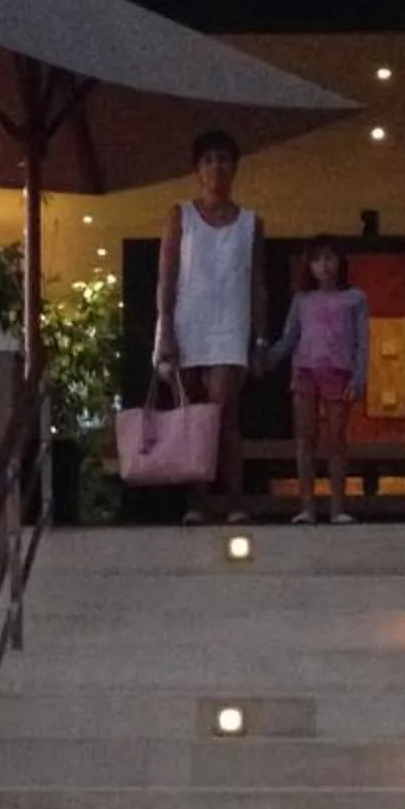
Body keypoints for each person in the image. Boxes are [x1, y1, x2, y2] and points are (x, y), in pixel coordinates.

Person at [153, 130, 264, 521]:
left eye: (223, 159)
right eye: (209, 160)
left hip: (230, 324)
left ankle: (234, 501)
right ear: (197, 170)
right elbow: (167, 275)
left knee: (223, 411)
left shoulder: (251, 222)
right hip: (187, 322)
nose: (217, 166)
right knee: (191, 414)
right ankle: (196, 502)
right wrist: (166, 327)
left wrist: (260, 339)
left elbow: (257, 283)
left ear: (235, 168)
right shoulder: (180, 215)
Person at [260, 235, 369, 524]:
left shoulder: (355, 298)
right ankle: (307, 507)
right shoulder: (302, 300)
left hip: (339, 371)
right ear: (309, 265)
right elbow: (288, 338)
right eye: (317, 259)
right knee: (305, 439)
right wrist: (266, 360)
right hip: (305, 370)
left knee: (336, 439)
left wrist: (358, 378)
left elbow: (362, 342)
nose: (324, 265)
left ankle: (337, 508)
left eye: (329, 258)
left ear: (340, 261)